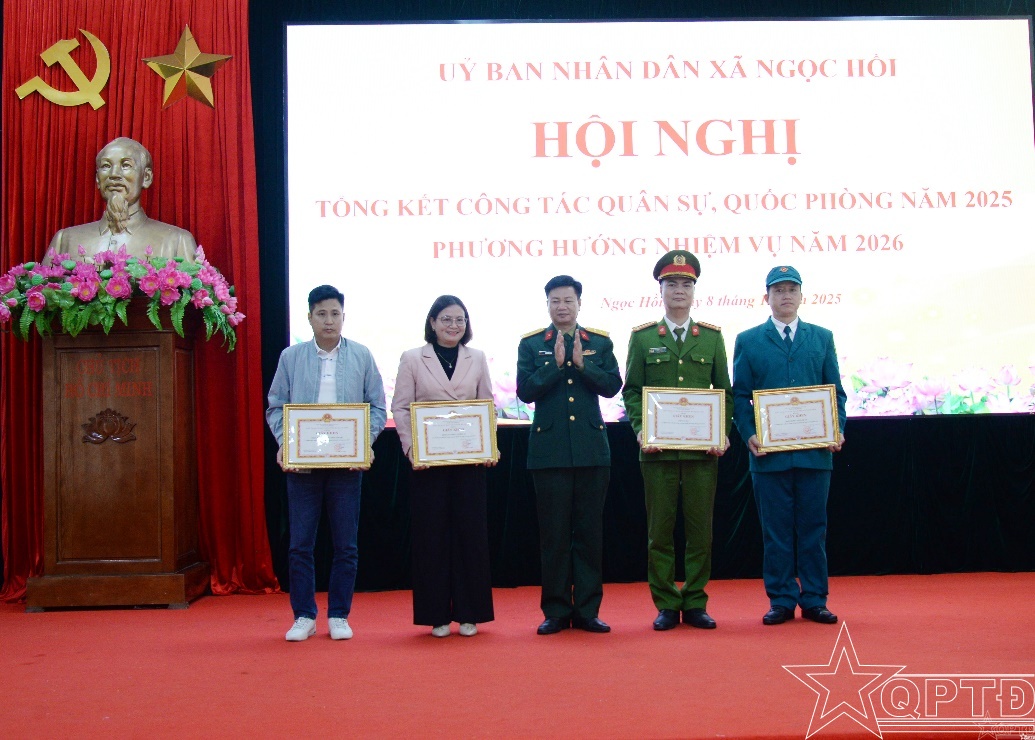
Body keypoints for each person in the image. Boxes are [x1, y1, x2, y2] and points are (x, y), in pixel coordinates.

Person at [266, 285, 387, 642]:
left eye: (335, 314)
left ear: (343, 317)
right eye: (321, 314)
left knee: (346, 545)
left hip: (346, 466)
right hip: (303, 465)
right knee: (300, 545)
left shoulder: (362, 355)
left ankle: (339, 614)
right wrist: (287, 444)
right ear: (309, 318)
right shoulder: (291, 357)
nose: (329, 321)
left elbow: (378, 407)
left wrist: (363, 443)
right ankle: (304, 615)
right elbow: (276, 406)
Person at [622, 251, 733, 631]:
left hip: (702, 453)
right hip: (658, 453)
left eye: (686, 284)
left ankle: (696, 601)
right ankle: (667, 603)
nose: (679, 290)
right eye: (672, 284)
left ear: (694, 290)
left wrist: (721, 432)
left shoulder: (712, 338)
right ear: (661, 290)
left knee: (700, 532)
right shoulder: (642, 338)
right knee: (660, 533)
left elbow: (725, 392)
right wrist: (641, 429)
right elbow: (632, 390)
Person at [731, 265, 847, 626]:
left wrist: (837, 428)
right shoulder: (748, 340)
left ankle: (814, 599)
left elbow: (836, 393)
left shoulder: (822, 338)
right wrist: (748, 433)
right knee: (776, 532)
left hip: (815, 454)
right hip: (769, 456)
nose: (785, 296)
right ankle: (781, 599)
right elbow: (740, 396)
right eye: (778, 290)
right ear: (766, 297)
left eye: (791, 290)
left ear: (802, 295)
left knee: (813, 529)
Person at [516, 275, 622, 635]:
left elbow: (612, 386)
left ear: (579, 304)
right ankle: (557, 610)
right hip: (549, 453)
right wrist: (556, 365)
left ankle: (588, 610)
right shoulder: (532, 344)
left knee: (589, 534)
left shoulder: (599, 342)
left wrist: (582, 364)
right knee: (554, 536)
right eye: (555, 301)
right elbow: (525, 391)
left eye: (568, 300)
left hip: (592, 451)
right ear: (547, 304)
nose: (562, 306)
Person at [391, 295, 497, 638]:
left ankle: (470, 613)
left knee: (471, 536)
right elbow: (401, 407)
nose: (454, 326)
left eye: (460, 320)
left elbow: (487, 404)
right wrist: (411, 449)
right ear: (433, 323)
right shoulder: (412, 358)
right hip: (428, 463)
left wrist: (489, 445)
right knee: (431, 537)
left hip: (469, 460)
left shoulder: (476, 358)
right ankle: (435, 614)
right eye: (447, 319)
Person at [47, 137, 197, 262]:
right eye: (106, 166)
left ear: (146, 177)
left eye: (126, 165)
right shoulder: (65, 240)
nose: (114, 174)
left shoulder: (177, 241)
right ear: (98, 179)